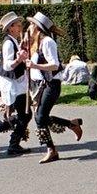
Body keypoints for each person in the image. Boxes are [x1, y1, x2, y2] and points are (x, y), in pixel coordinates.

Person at [25, 12, 83, 164]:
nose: (29, 27)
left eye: (31, 24)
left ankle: (51, 150)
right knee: (41, 117)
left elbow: (55, 65)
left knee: (40, 118)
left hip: (51, 84)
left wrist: (35, 65)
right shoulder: (35, 43)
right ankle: (71, 124)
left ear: (38, 28)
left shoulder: (48, 42)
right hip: (39, 85)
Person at [0, 12, 33, 156]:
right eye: (17, 24)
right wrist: (19, 59)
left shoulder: (13, 41)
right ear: (10, 28)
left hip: (17, 83)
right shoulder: (8, 43)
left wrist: (22, 57)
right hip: (12, 84)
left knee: (26, 114)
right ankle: (12, 144)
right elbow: (8, 66)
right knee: (25, 115)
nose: (20, 27)